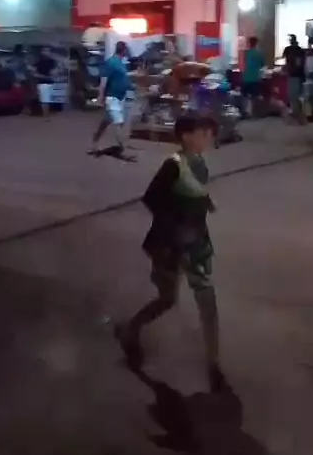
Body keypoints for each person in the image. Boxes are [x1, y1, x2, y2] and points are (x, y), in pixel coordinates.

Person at [115, 113, 224, 390]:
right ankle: (131, 329)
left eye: (210, 133)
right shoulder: (173, 165)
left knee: (207, 301)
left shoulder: (199, 163)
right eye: (203, 132)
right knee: (167, 300)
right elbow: (152, 198)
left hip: (196, 244)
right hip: (170, 246)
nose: (208, 137)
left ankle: (213, 363)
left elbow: (192, 192)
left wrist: (203, 203)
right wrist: (176, 225)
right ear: (185, 136)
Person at [89, 40, 134, 158]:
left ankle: (95, 142)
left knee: (105, 122)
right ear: (123, 51)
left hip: (120, 97)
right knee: (119, 123)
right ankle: (124, 150)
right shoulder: (111, 63)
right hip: (112, 97)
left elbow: (122, 79)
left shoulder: (120, 63)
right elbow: (103, 81)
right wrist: (100, 96)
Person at [282, 34, 306, 123]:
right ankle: (298, 113)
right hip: (300, 74)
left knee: (293, 95)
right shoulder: (300, 50)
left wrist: (287, 68)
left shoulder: (289, 50)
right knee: (297, 95)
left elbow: (289, 61)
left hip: (293, 74)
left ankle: (298, 115)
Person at [241, 36, 265, 117]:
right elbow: (262, 65)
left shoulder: (246, 53)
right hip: (255, 77)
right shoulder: (260, 53)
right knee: (255, 96)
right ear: (256, 43)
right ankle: (254, 113)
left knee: (245, 95)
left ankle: (246, 112)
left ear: (249, 43)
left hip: (246, 77)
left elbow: (244, 64)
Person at [35, 46, 56, 118]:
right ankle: (45, 115)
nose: (46, 52)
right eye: (44, 51)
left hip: (50, 82)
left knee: (47, 99)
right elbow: (35, 73)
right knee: (45, 100)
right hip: (42, 82)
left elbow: (54, 72)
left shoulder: (52, 62)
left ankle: (46, 113)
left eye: (47, 51)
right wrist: (44, 76)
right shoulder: (38, 62)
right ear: (41, 52)